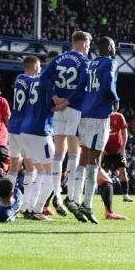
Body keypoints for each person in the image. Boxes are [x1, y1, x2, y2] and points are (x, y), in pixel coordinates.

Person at [65, 36, 119, 225]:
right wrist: (115, 99)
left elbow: (80, 87)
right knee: (95, 160)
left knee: (83, 157)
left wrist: (67, 101)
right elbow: (109, 83)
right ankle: (87, 204)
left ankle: (75, 199)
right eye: (113, 45)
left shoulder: (89, 64)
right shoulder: (110, 63)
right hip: (99, 115)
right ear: (110, 47)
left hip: (85, 114)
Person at [42, 31, 91, 216]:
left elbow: (44, 78)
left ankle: (57, 194)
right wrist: (68, 101)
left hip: (57, 108)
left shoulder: (58, 58)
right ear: (84, 43)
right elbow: (83, 84)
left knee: (58, 153)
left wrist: (55, 97)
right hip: (74, 107)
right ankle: (71, 196)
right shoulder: (84, 61)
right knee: (74, 151)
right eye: (88, 44)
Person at [19, 55, 59, 221]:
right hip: (39, 131)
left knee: (40, 170)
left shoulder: (32, 80)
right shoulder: (49, 81)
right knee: (54, 172)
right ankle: (37, 210)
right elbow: (52, 105)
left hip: (25, 130)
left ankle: (27, 207)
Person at [6, 56, 40, 202]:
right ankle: (27, 203)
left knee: (14, 167)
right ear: (33, 66)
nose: (40, 68)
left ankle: (6, 198)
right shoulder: (32, 82)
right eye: (39, 66)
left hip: (12, 126)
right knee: (30, 166)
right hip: (23, 128)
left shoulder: (19, 78)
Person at [102, 110, 133, 202]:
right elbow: (99, 132)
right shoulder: (103, 115)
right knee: (104, 174)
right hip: (106, 151)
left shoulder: (119, 116)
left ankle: (125, 195)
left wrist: (123, 147)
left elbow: (125, 133)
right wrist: (102, 148)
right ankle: (105, 196)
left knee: (123, 172)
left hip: (118, 150)